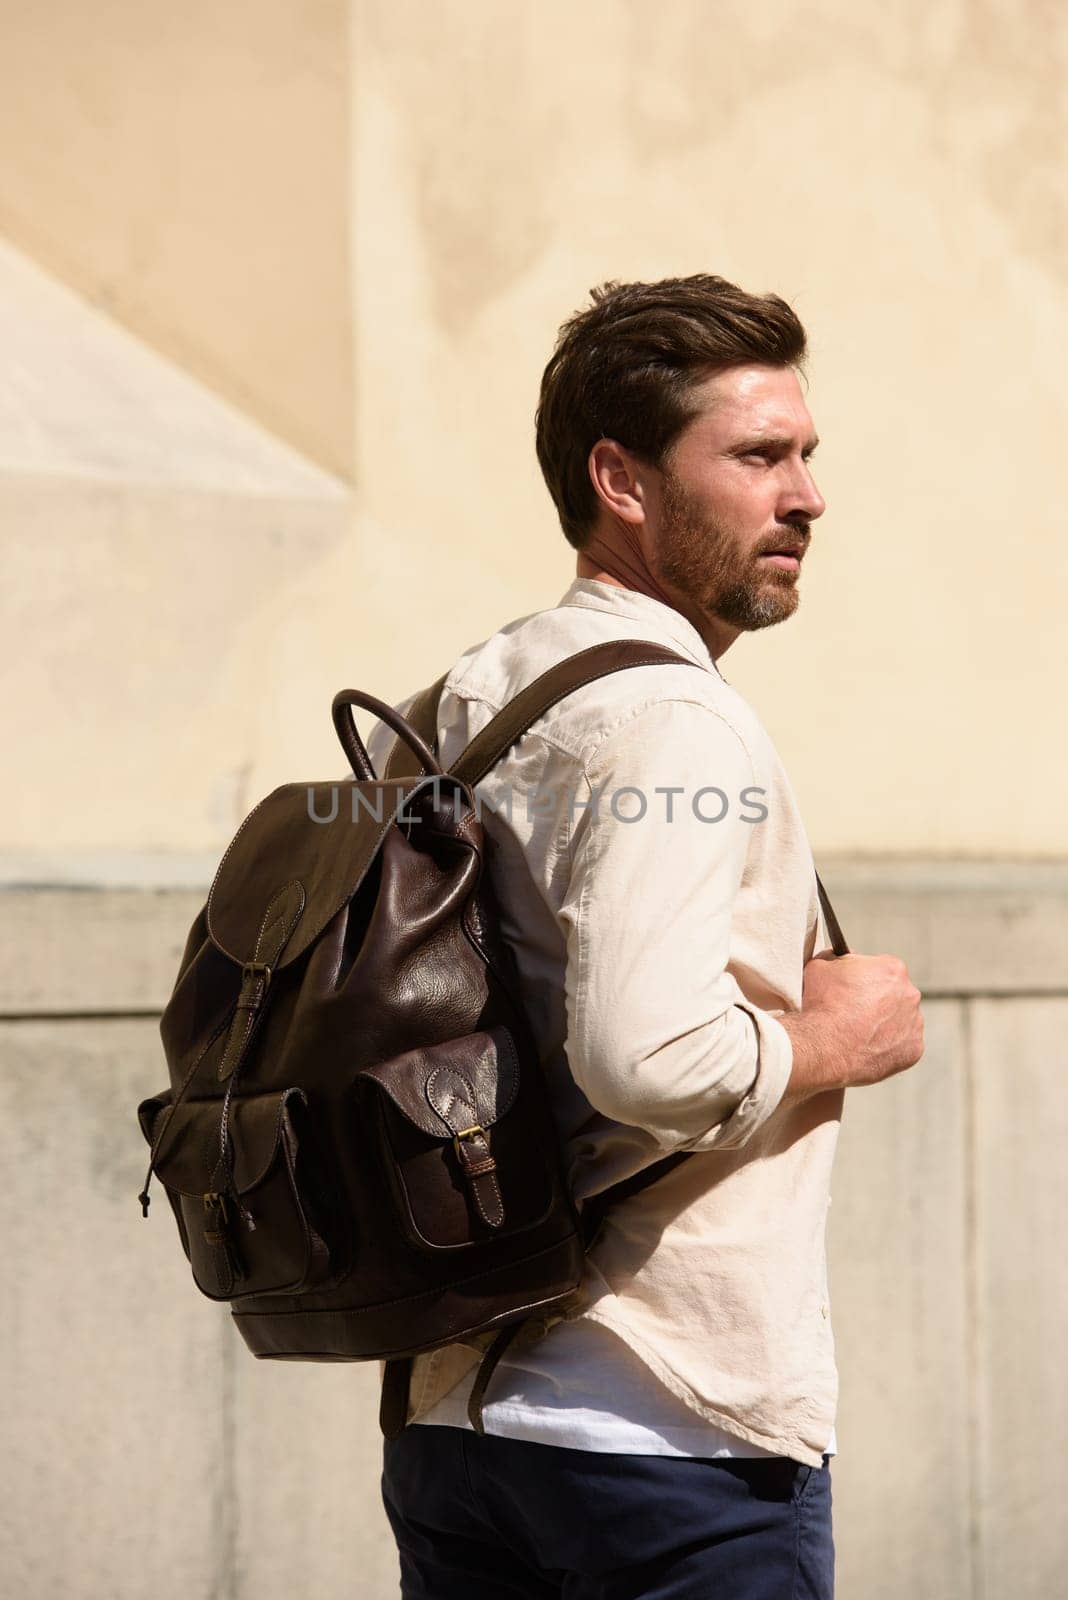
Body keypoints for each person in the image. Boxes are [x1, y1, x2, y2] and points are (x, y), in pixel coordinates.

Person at [369, 274, 925, 1599]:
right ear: (619, 479)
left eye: (806, 456)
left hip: (456, 1420)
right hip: (664, 1441)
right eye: (757, 456)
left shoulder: (468, 694)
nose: (806, 496)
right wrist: (834, 1035)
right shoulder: (678, 721)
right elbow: (643, 1059)